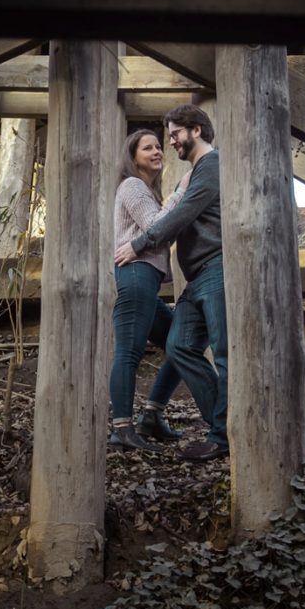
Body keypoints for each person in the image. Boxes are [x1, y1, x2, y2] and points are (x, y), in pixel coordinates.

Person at [115, 105, 227, 461]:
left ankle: (216, 433)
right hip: (171, 276)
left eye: (174, 133)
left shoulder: (210, 165)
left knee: (203, 350)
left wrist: (140, 242)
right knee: (158, 349)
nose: (168, 143)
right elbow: (162, 220)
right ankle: (128, 426)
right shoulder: (140, 184)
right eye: (149, 146)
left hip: (208, 270)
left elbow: (176, 217)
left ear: (195, 129)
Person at [109, 129, 187, 451]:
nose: (157, 151)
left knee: (182, 344)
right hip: (135, 276)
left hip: (147, 282)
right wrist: (182, 193)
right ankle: (122, 429)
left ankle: (152, 415)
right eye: (148, 148)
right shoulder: (132, 185)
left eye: (158, 147)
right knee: (129, 351)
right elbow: (157, 225)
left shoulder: (144, 190)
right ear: (133, 156)